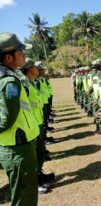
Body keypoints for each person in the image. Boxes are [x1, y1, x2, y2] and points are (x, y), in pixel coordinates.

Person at [0, 32, 40, 206]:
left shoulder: (10, 77)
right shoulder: (9, 82)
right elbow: (7, 118)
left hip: (16, 146)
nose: (24, 54)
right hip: (18, 149)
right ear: (9, 57)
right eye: (20, 51)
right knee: (25, 198)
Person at [21, 58, 54, 194]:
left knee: (39, 153)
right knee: (33, 155)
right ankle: (35, 183)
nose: (39, 69)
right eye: (35, 67)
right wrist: (33, 107)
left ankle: (39, 175)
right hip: (31, 123)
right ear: (30, 69)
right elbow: (22, 104)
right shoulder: (23, 84)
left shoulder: (32, 82)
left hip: (37, 121)